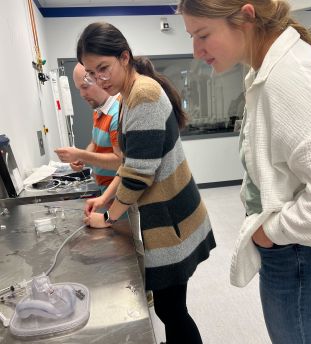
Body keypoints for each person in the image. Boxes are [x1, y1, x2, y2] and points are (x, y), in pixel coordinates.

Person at [178, 1, 311, 344]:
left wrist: (270, 231)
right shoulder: (267, 70)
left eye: (203, 35)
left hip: (303, 254)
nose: (197, 51)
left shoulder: (290, 78)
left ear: (245, 16)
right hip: (298, 251)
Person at [77, 22, 216, 344]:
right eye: (91, 73)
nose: (99, 80)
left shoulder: (143, 94)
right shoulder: (128, 95)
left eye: (104, 68)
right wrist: (106, 199)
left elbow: (140, 174)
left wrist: (109, 217)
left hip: (173, 219)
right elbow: (129, 162)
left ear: (124, 58)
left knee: (171, 310)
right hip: (168, 215)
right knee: (170, 307)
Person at [55, 63, 122, 193]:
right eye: (79, 89)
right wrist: (80, 159)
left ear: (99, 79)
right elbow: (94, 142)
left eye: (85, 87)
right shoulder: (99, 109)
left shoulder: (117, 114)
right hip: (104, 190)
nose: (82, 94)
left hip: (118, 195)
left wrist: (81, 155)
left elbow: (120, 162)